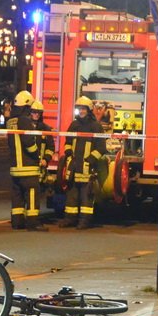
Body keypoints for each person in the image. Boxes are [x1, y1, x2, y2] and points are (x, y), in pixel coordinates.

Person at [60, 96, 106, 229]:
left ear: (89, 110)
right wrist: (69, 153)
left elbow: (101, 147)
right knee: (72, 195)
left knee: (86, 196)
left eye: (83, 109)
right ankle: (70, 219)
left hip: (87, 167)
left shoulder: (95, 126)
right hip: (74, 166)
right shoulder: (74, 125)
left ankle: (84, 221)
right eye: (79, 108)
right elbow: (68, 142)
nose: (81, 111)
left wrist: (90, 160)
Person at [6, 91, 46, 230]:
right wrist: (37, 156)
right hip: (28, 166)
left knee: (17, 195)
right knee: (32, 193)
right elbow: (29, 143)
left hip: (15, 167)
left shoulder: (10, 121)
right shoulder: (25, 121)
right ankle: (33, 223)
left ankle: (17, 222)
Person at [30, 100, 54, 185]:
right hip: (28, 164)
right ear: (30, 112)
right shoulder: (25, 127)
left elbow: (51, 147)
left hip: (41, 166)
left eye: (39, 113)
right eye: (34, 112)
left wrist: (46, 159)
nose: (36, 114)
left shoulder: (45, 129)